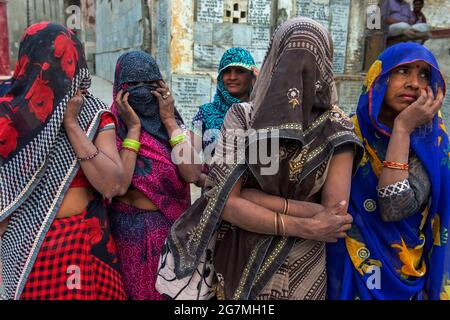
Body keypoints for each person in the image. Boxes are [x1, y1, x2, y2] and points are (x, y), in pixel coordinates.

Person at [158, 17, 363, 300]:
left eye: (309, 59)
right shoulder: (243, 116)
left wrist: (253, 198)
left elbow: (334, 215)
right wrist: (303, 222)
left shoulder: (338, 127)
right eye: (292, 58)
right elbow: (226, 205)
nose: (299, 71)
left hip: (305, 266)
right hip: (244, 257)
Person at [0, 22, 127, 300]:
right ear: (32, 63)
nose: (58, 72)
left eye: (67, 63)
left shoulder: (91, 113)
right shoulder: (9, 117)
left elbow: (113, 185)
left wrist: (71, 124)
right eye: (50, 63)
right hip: (29, 251)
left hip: (85, 246)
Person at [327, 42, 450, 300]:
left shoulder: (433, 141)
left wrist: (402, 130)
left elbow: (394, 207)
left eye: (424, 74)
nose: (415, 83)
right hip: (348, 267)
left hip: (406, 272)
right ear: (379, 78)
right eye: (403, 71)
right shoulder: (347, 132)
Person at [109, 51, 202, 300]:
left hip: (167, 234)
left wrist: (169, 120)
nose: (141, 92)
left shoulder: (172, 124)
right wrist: (134, 129)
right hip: (124, 237)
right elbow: (119, 185)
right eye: (132, 86)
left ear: (161, 87)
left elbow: (192, 173)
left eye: (149, 84)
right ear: (119, 89)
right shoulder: (109, 127)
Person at [192, 48, 257, 185]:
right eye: (227, 71)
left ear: (252, 76)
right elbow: (187, 158)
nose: (232, 77)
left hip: (257, 195)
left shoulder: (261, 110)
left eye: (240, 71)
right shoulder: (205, 113)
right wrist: (202, 180)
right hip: (215, 196)